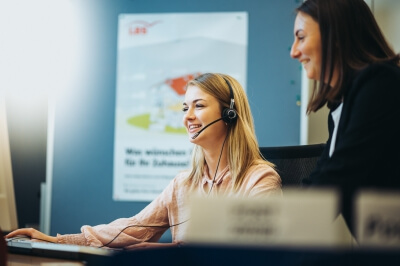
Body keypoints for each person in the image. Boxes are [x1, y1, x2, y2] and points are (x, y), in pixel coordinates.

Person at [5, 73, 282, 249]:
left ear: (230, 113)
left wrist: (167, 251)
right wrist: (57, 241)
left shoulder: (259, 178)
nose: (187, 116)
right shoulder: (183, 184)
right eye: (185, 107)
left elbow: (248, 250)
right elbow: (131, 229)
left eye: (199, 106)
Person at [290, 0, 400, 233]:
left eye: (301, 37)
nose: (293, 52)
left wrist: (283, 225)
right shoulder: (341, 104)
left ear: (335, 35)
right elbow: (323, 173)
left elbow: (337, 178)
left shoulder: (380, 84)